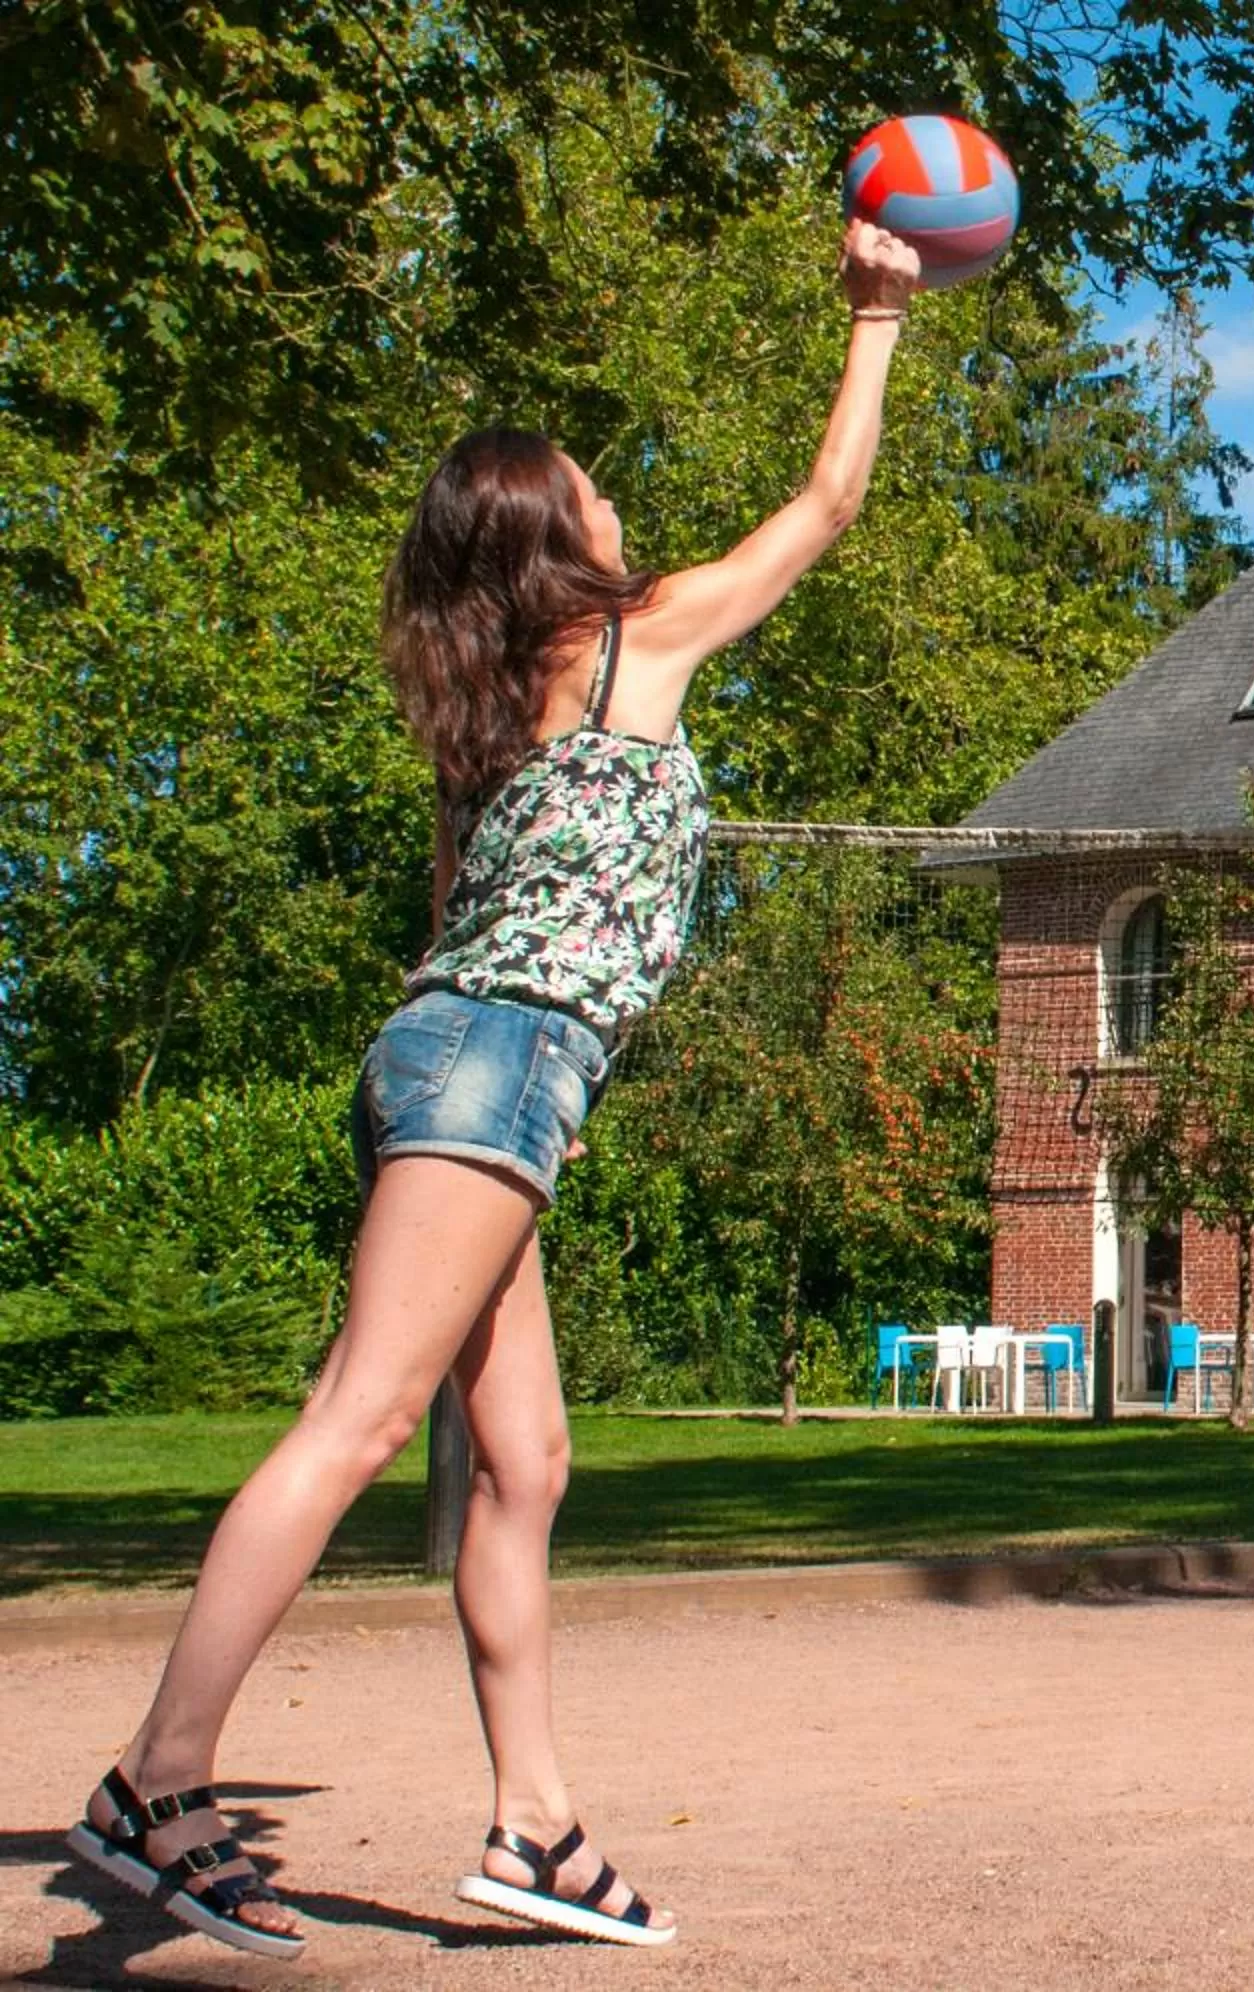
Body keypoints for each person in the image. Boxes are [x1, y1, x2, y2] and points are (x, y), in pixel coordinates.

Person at [62, 219, 925, 1958]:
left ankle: (533, 1821)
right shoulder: (636, 644)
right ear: (557, 548)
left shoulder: (502, 715)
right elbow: (829, 503)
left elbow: (490, 928)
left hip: (491, 1067)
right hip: (493, 1061)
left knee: (525, 1458)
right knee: (362, 1422)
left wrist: (547, 1081)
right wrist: (878, 314)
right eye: (597, 496)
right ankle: (155, 1779)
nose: (623, 511)